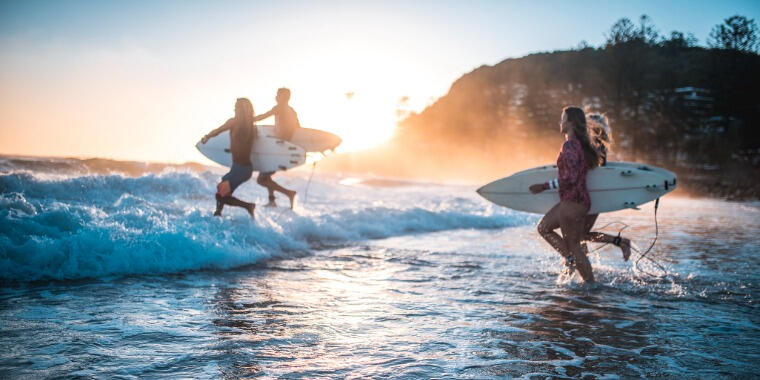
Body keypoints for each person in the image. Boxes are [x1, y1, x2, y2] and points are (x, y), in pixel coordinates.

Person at [529, 107, 603, 283]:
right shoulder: (579, 144)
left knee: (574, 246)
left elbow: (571, 177)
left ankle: (590, 285)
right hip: (577, 201)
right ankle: (572, 262)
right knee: (545, 228)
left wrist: (544, 186)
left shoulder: (570, 145)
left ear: (570, 123)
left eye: (563, 119)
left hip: (572, 201)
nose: (560, 123)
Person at [582, 113, 632, 261]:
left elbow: (594, 172)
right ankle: (577, 263)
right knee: (579, 234)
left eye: (586, 125)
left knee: (579, 234)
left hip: (592, 194)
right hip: (591, 193)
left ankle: (621, 242)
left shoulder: (596, 146)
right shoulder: (597, 145)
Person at [201, 98, 257, 218]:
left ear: (242, 109)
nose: (234, 109)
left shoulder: (235, 122)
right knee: (221, 191)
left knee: (220, 194)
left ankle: (247, 207)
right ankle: (219, 213)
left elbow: (218, 130)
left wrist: (207, 137)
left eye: (237, 107)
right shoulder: (251, 126)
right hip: (241, 168)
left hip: (241, 169)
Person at [253, 88, 298, 208]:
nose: (276, 96)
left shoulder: (279, 107)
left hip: (277, 149)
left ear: (284, 97)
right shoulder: (292, 111)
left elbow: (264, 116)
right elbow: (298, 129)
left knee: (261, 180)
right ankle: (272, 201)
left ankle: (289, 193)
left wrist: (248, 119)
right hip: (283, 149)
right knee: (266, 176)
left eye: (278, 95)